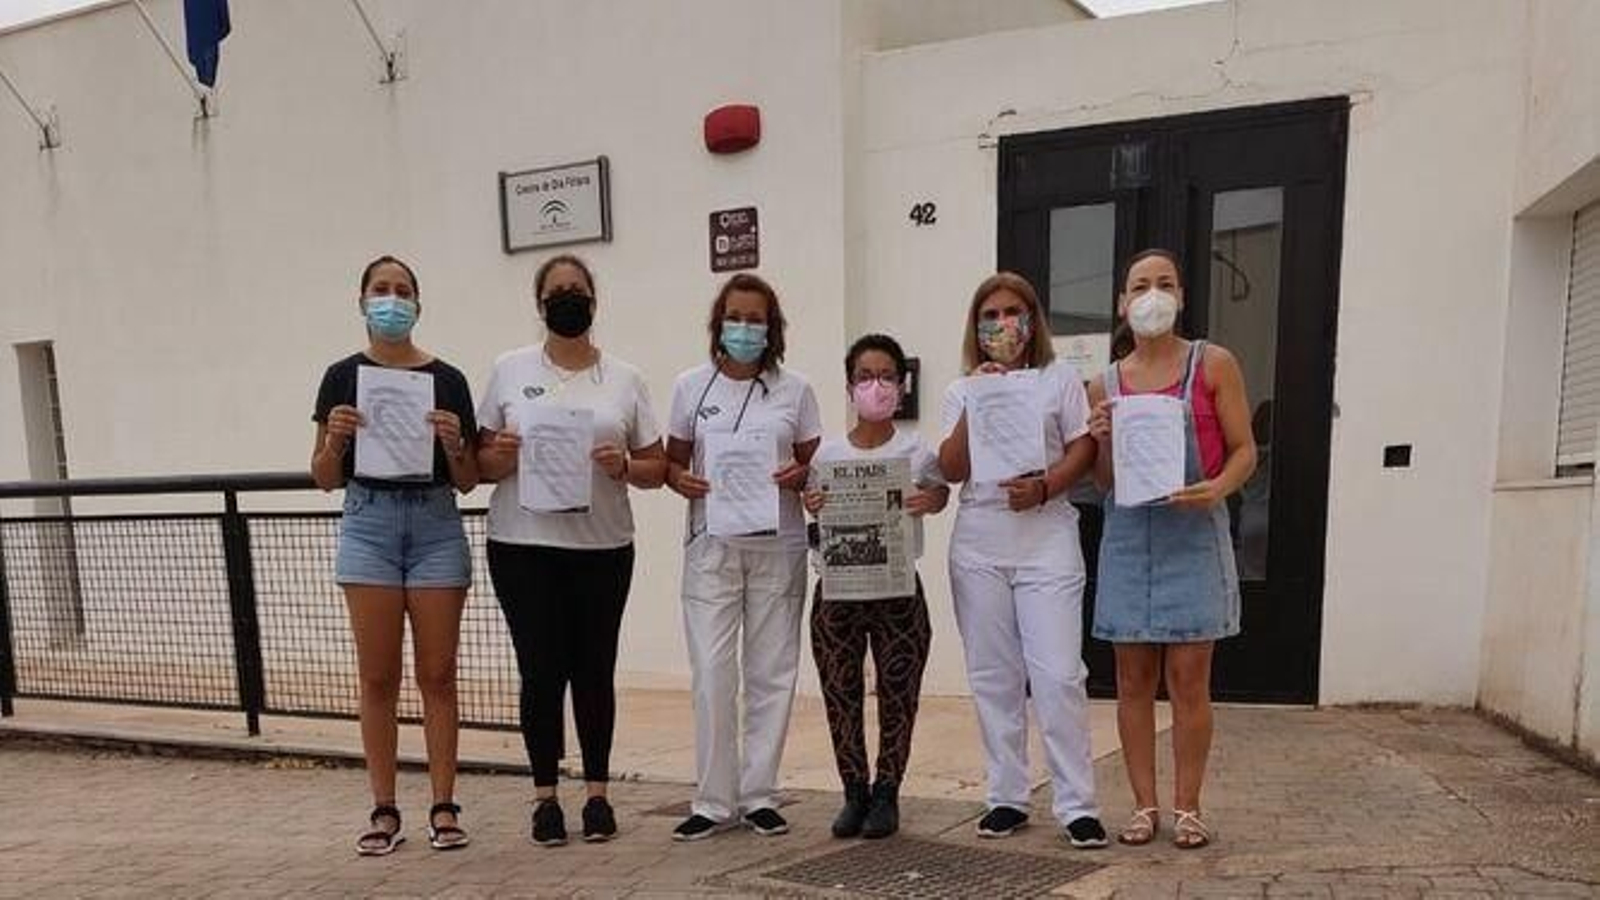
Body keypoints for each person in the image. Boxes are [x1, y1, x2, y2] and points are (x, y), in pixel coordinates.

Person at [475, 254, 668, 846]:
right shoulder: (509, 370)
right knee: (540, 672)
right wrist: (500, 457)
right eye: (557, 291)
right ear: (540, 304)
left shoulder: (625, 379)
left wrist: (626, 465)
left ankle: (597, 794)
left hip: (602, 547)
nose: (568, 298)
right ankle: (543, 797)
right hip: (523, 545)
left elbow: (657, 466)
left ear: (594, 300)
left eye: (577, 289)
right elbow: (477, 462)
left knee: (594, 670)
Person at [1087, 248, 1256, 850]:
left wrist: (1217, 488)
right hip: (1129, 542)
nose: (1152, 294)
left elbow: (1244, 450)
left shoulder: (1213, 364)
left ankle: (1188, 806)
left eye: (1164, 283)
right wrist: (1103, 440)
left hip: (1193, 537)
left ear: (1181, 297)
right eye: (1140, 285)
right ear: (1122, 303)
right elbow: (1104, 483)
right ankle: (1143, 806)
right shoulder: (1102, 384)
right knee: (1131, 681)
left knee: (1189, 680)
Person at [311, 255, 478, 855]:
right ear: (361, 302)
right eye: (380, 290)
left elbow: (468, 480)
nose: (392, 300)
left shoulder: (449, 379)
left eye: (403, 291)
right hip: (368, 522)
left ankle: (444, 806)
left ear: (418, 303)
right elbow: (324, 477)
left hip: (435, 522)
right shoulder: (341, 376)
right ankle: (383, 807)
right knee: (378, 676)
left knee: (438, 674)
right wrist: (335, 440)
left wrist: (457, 445)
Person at [937, 272, 1108, 850]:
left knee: (1059, 673)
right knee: (993, 674)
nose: (1002, 324)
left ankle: (1076, 803)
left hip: (1046, 535)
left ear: (1032, 319)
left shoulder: (1059, 379)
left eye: (1013, 311)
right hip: (981, 538)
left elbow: (1083, 445)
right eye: (991, 315)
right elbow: (952, 466)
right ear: (976, 326)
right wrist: (977, 399)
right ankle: (1006, 796)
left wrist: (1046, 487)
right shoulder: (963, 388)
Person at [664, 273, 821, 841]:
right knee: (711, 672)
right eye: (735, 317)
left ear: (772, 327)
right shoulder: (690, 387)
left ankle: (759, 794)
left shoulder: (795, 390)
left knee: (771, 671)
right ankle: (711, 799)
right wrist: (685, 482)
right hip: (712, 547)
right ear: (718, 323)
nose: (745, 328)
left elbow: (814, 465)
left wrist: (800, 475)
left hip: (777, 545)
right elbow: (669, 466)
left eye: (756, 319)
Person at [801, 333, 949, 839]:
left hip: (898, 589)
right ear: (849, 386)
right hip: (839, 590)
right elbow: (813, 511)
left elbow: (940, 489)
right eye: (865, 376)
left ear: (901, 387)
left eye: (887, 375)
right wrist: (813, 506)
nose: (876, 385)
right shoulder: (828, 453)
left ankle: (887, 792)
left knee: (898, 692)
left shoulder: (916, 449)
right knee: (840, 690)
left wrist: (932, 500)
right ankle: (853, 792)